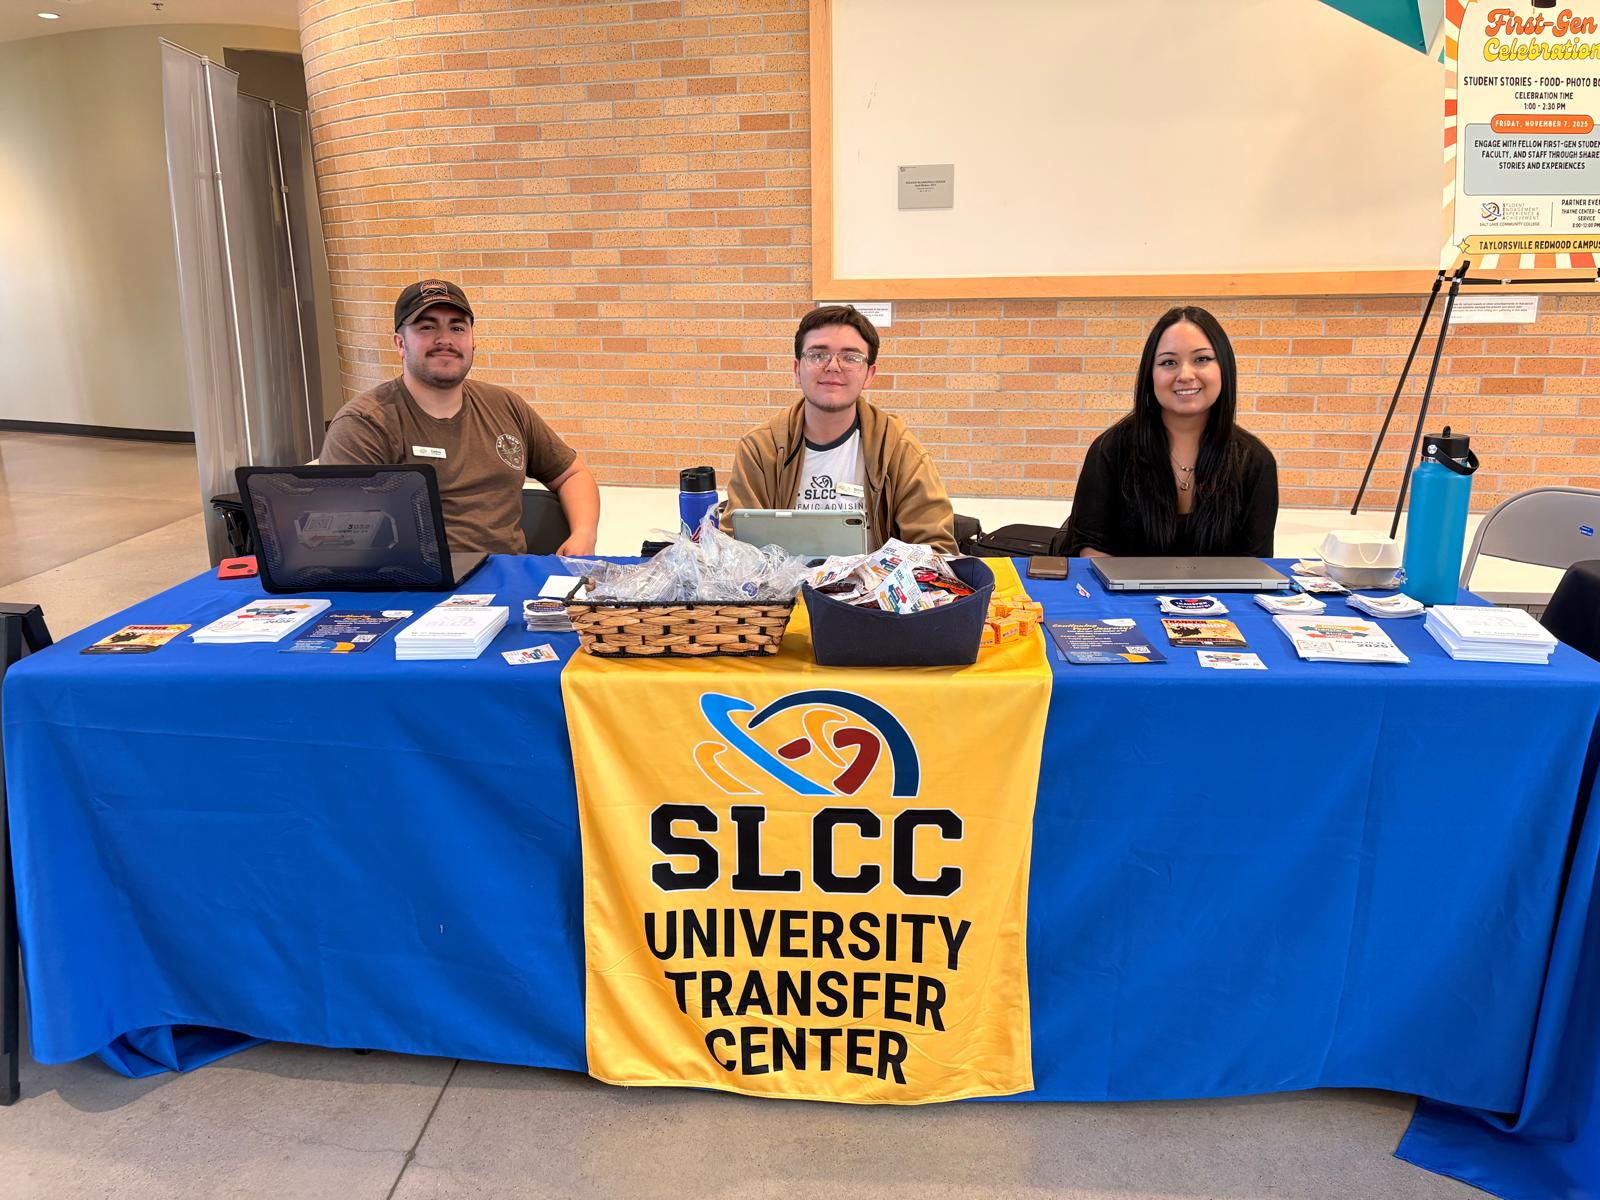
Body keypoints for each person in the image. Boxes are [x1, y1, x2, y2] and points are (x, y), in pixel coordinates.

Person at [320, 279, 599, 556]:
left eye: (457, 327)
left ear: (472, 341)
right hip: (417, 589)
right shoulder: (363, 425)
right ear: (400, 343)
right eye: (427, 327)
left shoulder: (505, 405)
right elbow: (346, 541)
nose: (445, 339)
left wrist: (583, 534)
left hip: (510, 580)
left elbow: (572, 474)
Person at [721, 305, 957, 554]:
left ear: (869, 375)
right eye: (817, 355)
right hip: (788, 590)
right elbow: (736, 550)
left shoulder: (899, 451)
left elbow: (936, 551)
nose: (833, 366)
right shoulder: (760, 450)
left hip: (873, 590)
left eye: (851, 357)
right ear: (796, 370)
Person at [1066, 305, 1278, 557]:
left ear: (1224, 367)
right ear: (1150, 375)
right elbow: (1091, 552)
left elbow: (1254, 565)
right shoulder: (1110, 449)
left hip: (1219, 597)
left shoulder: (1254, 461)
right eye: (1169, 362)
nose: (1185, 375)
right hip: (1119, 597)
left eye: (1202, 359)